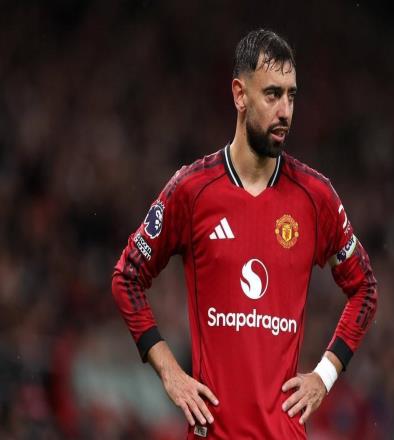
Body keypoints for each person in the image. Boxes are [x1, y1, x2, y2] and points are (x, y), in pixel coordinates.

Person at [112, 29, 378, 439]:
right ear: (240, 94)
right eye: (272, 94)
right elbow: (127, 277)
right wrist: (170, 372)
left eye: (291, 96)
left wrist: (324, 375)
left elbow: (365, 290)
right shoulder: (192, 191)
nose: (285, 111)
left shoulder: (316, 198)